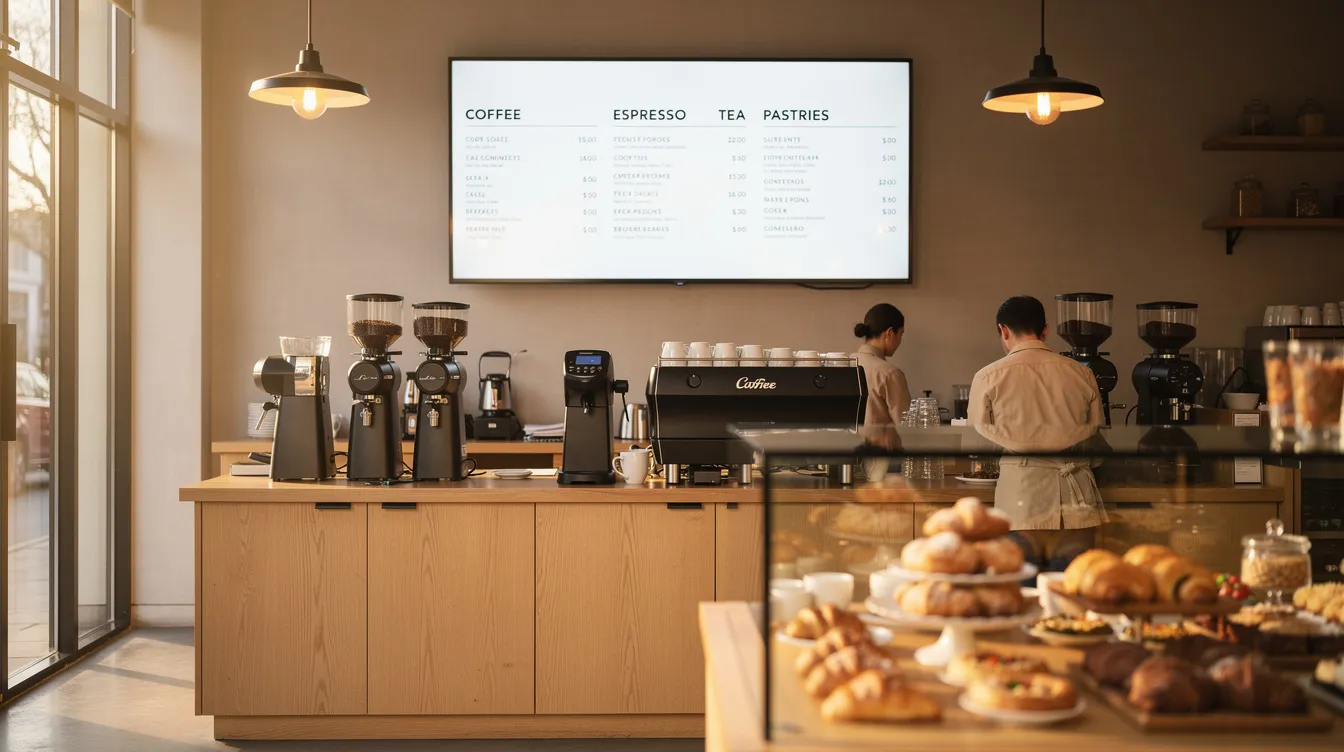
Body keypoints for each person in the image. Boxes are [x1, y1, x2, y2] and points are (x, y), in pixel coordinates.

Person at [967, 296, 1105, 571]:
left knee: (1022, 589)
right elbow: (1095, 438)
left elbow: (976, 439)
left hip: (1021, 500)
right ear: (1045, 331)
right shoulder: (1082, 373)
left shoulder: (987, 376)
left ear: (1003, 330)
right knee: (1070, 592)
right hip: (1075, 503)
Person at [853, 303, 911, 426]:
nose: (900, 340)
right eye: (901, 334)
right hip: (880, 444)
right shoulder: (888, 373)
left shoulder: (844, 364)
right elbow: (905, 427)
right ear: (889, 333)